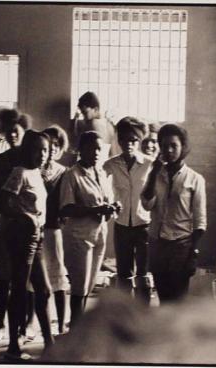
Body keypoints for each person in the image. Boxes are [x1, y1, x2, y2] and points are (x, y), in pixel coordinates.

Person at [0, 130, 54, 361]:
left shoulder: (37, 173)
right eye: (38, 149)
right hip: (20, 238)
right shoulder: (19, 172)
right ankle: (13, 346)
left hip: (36, 238)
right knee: (19, 290)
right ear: (28, 150)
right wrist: (24, 216)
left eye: (45, 150)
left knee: (44, 290)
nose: (42, 154)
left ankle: (50, 343)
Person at [60, 131, 120, 328]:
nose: (96, 152)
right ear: (80, 150)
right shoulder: (72, 174)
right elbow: (66, 207)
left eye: (99, 148)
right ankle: (75, 328)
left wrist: (113, 207)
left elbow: (106, 201)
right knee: (79, 285)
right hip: (79, 236)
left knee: (90, 284)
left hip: (99, 234)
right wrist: (94, 210)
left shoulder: (102, 173)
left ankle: (80, 328)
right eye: (91, 148)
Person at [141, 124, 207, 303]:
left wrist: (192, 253)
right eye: (164, 146)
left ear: (183, 147)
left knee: (178, 299)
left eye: (174, 146)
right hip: (157, 244)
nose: (169, 150)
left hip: (181, 246)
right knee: (163, 297)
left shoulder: (195, 179)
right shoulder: (155, 174)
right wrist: (154, 172)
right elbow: (147, 204)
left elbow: (200, 221)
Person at [0, 108, 31, 342]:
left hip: (29, 224)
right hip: (5, 221)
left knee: (26, 277)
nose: (12, 135)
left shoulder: (31, 158)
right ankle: (2, 323)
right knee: (3, 275)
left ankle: (25, 326)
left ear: (23, 131)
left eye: (16, 131)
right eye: (8, 132)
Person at [103, 117, 153, 304]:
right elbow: (100, 185)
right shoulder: (111, 164)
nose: (129, 144)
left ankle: (144, 317)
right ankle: (124, 316)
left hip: (144, 225)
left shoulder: (150, 164)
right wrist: (109, 202)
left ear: (139, 140)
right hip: (122, 224)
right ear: (119, 141)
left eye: (133, 140)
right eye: (124, 140)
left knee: (143, 274)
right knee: (123, 274)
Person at [41, 125, 70, 334]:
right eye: (48, 143)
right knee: (34, 282)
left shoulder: (64, 172)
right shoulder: (32, 169)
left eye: (56, 144)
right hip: (33, 230)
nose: (52, 148)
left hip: (54, 230)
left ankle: (60, 325)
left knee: (58, 276)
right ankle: (31, 324)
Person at [69, 92, 119, 163]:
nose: (84, 118)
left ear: (95, 109)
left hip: (93, 162)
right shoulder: (108, 124)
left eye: (85, 113)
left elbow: (76, 145)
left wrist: (75, 119)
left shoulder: (92, 123)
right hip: (107, 163)